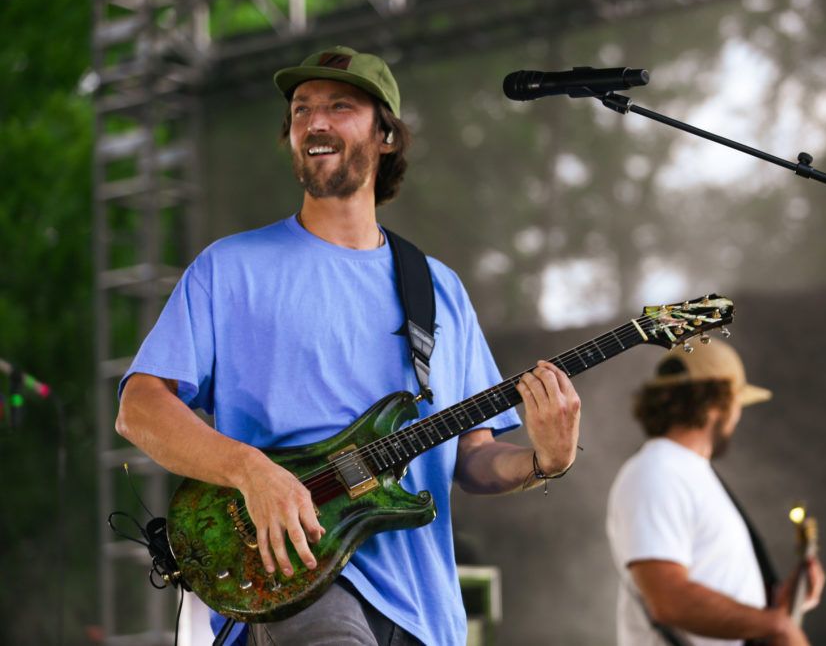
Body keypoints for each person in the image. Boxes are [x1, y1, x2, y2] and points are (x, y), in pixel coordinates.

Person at [115, 46, 581, 646]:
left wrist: (545, 460)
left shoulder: (436, 287)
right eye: (302, 109)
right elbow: (139, 408)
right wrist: (251, 470)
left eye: (340, 106)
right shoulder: (230, 268)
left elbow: (472, 458)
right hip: (288, 579)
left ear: (386, 135)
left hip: (424, 610)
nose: (315, 121)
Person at [605, 340, 824, 646]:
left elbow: (711, 580)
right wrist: (775, 626)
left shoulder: (687, 471)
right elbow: (669, 599)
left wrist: (777, 603)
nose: (737, 416)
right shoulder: (657, 471)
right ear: (715, 405)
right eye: (737, 404)